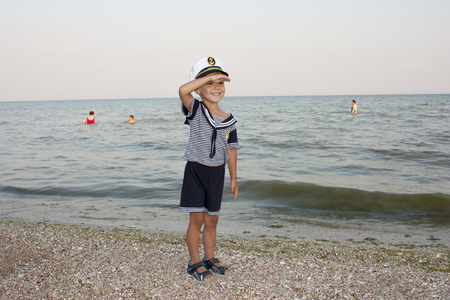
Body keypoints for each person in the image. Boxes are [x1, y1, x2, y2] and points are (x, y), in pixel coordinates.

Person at [179, 56, 239, 281]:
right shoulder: (195, 109)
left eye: (220, 83)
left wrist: (233, 178)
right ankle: (194, 262)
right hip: (195, 172)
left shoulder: (229, 119)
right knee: (196, 220)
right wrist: (209, 76)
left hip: (217, 174)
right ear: (199, 87)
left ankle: (210, 258)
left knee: (212, 220)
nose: (216, 87)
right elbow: (183, 90)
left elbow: (232, 150)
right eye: (209, 83)